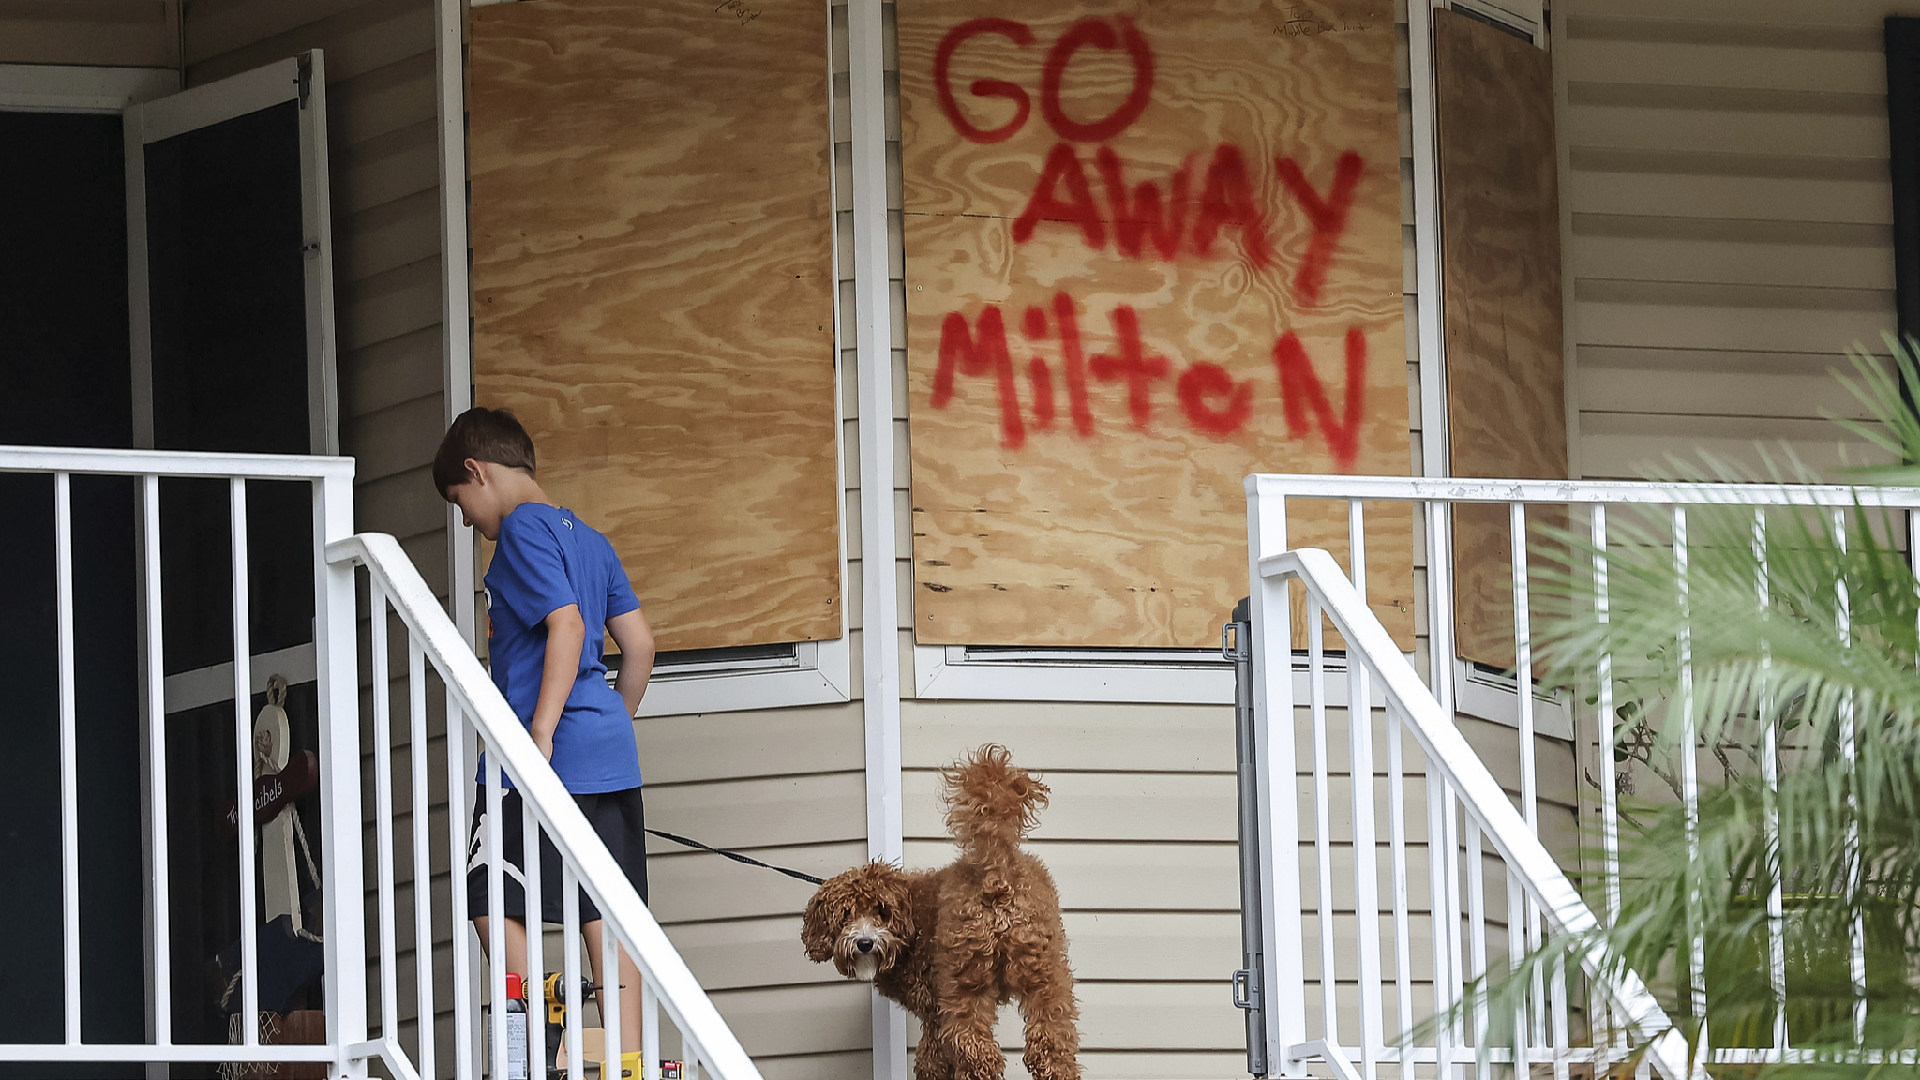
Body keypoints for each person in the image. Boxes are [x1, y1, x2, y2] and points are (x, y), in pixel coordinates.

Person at [433, 406, 655, 1057]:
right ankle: (627, 1064)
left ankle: (541, 1021)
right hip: (609, 756)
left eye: (461, 503)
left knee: (488, 893)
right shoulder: (590, 539)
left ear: (477, 471)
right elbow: (638, 647)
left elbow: (567, 625)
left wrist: (542, 735)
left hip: (539, 758)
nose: (469, 521)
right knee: (607, 921)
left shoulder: (522, 532)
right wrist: (612, 724)